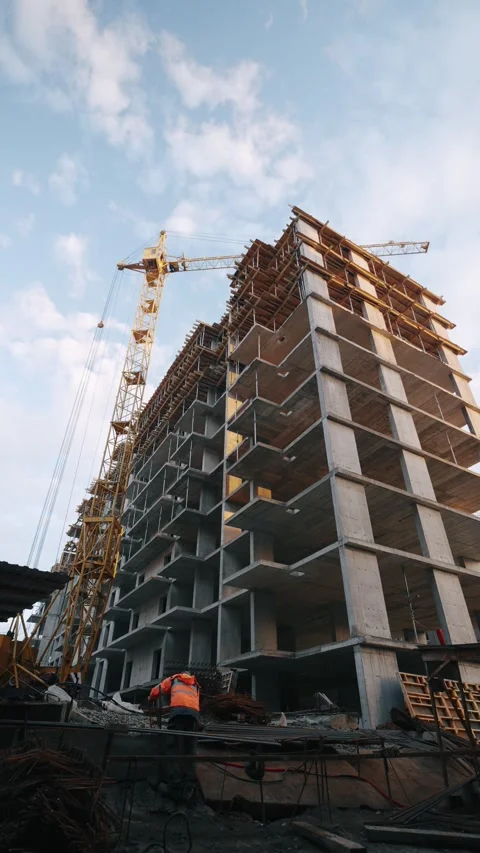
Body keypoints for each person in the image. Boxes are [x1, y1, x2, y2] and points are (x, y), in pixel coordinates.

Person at [149, 672, 200, 800]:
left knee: (175, 749)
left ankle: (175, 786)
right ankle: (189, 786)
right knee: (189, 751)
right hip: (193, 716)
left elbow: (157, 690)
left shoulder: (174, 679)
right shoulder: (195, 684)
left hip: (178, 714)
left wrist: (150, 698)